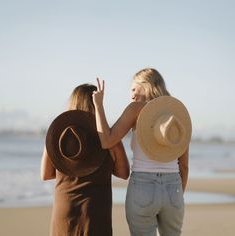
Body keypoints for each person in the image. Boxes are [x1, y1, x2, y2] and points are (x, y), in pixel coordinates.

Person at [92, 68, 192, 236]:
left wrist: (99, 105)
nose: (131, 95)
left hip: (143, 187)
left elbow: (107, 140)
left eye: (133, 89)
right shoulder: (177, 114)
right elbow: (184, 165)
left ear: (146, 85)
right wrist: (176, 196)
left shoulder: (136, 109)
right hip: (174, 188)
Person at [41, 83, 130, 236]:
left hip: (64, 210)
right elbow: (124, 173)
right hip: (95, 212)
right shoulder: (107, 137)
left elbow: (46, 174)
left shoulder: (58, 134)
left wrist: (72, 169)